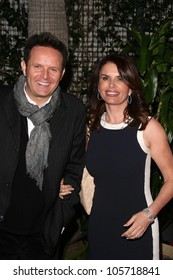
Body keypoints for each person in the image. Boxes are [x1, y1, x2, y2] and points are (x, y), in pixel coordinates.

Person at [60, 52, 173, 260]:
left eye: (120, 78)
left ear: (130, 87)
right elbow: (79, 169)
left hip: (138, 229)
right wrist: (61, 183)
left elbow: (171, 179)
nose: (111, 85)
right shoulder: (91, 128)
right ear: (98, 87)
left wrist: (149, 215)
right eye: (105, 78)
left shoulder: (147, 128)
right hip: (99, 228)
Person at [0, 32, 86, 260]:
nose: (45, 76)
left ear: (63, 73)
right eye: (38, 66)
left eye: (53, 69)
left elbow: (75, 170)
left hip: (42, 237)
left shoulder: (74, 112)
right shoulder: (2, 102)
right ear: (24, 66)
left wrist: (58, 222)